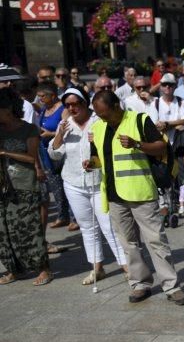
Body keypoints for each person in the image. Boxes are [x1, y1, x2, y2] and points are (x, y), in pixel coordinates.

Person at [85, 91, 184, 305]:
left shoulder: (139, 120)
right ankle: (140, 284)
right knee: (128, 243)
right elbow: (98, 157)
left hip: (141, 192)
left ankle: (172, 286)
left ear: (116, 106)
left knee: (156, 241)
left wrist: (137, 144)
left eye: (105, 114)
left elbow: (161, 146)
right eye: (98, 114)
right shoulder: (98, 128)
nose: (102, 118)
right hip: (114, 195)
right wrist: (91, 164)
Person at [48, 87, 128, 285]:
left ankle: (126, 266)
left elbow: (114, 148)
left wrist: (98, 143)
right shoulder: (64, 124)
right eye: (68, 105)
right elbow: (54, 154)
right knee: (87, 227)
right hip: (74, 183)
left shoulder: (99, 121)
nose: (73, 108)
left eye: (77, 104)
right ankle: (97, 268)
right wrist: (59, 135)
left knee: (110, 227)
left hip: (99, 182)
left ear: (86, 103)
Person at [0, 87, 51, 286]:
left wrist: (5, 153)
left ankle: (44, 269)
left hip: (25, 185)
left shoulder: (28, 129)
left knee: (29, 230)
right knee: (5, 232)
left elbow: (31, 157)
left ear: (7, 109)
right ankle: (15, 269)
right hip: (4, 188)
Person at [36, 81, 74, 230]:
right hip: (46, 152)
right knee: (56, 186)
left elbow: (68, 129)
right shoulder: (44, 109)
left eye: (42, 96)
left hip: (61, 152)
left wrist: (50, 134)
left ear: (52, 95)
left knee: (67, 185)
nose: (40, 99)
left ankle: (74, 218)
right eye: (38, 97)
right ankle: (62, 215)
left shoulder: (63, 109)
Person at [154, 73, 184, 144]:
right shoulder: (155, 103)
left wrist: (166, 124)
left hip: (179, 142)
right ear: (160, 86)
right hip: (161, 143)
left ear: (175, 86)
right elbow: (156, 126)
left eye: (170, 84)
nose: (167, 86)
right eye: (164, 84)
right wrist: (177, 124)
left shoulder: (181, 101)